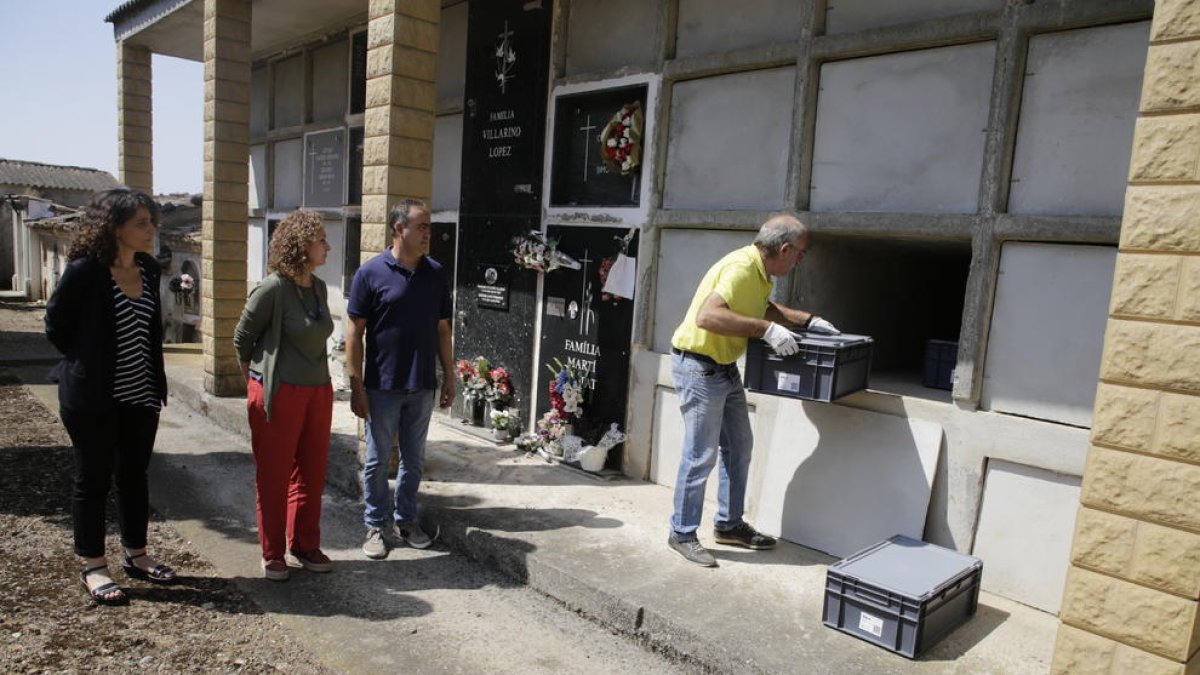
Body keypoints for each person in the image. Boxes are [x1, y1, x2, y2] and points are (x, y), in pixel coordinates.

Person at [667, 215, 839, 567]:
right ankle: (681, 533)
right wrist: (766, 331)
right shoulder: (743, 268)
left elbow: (762, 308)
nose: (800, 261)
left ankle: (729, 525)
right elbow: (708, 317)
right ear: (785, 248)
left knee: (739, 447)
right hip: (699, 369)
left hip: (723, 370)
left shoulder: (759, 273)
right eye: (801, 253)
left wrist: (806, 320)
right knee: (700, 456)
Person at [45, 188, 176, 605]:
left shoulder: (150, 269)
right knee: (93, 480)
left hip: (140, 393)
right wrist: (88, 363)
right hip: (93, 398)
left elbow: (151, 332)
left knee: (134, 476)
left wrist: (153, 383)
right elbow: (56, 325)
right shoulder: (86, 271)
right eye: (142, 222)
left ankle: (136, 554)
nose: (151, 228)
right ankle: (94, 565)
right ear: (114, 227)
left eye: (152, 220)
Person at [345, 199, 454, 559]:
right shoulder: (370, 273)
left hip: (422, 384)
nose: (427, 234)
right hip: (382, 385)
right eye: (421, 226)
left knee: (414, 458)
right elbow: (353, 334)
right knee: (377, 460)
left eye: (428, 227)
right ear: (398, 228)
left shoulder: (436, 273)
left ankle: (405, 520)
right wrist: (356, 385)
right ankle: (374, 525)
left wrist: (449, 376)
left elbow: (442, 330)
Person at [233, 210, 335, 581]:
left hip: (317, 391)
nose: (327, 245)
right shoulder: (272, 289)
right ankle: (272, 552)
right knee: (274, 476)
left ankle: (305, 544)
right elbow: (242, 339)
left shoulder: (319, 288)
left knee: (311, 473)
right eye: (320, 239)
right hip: (279, 393)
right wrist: (256, 383)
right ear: (300, 245)